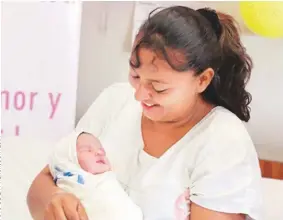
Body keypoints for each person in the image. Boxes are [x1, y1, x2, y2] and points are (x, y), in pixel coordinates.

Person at [27, 6, 263, 220]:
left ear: (202, 80)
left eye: (158, 87)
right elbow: (44, 182)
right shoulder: (114, 101)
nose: (140, 95)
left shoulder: (222, 140)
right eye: (135, 76)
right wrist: (54, 200)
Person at [49, 133, 143, 220]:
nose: (99, 152)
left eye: (102, 150)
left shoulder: (109, 179)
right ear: (70, 161)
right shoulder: (72, 183)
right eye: (87, 150)